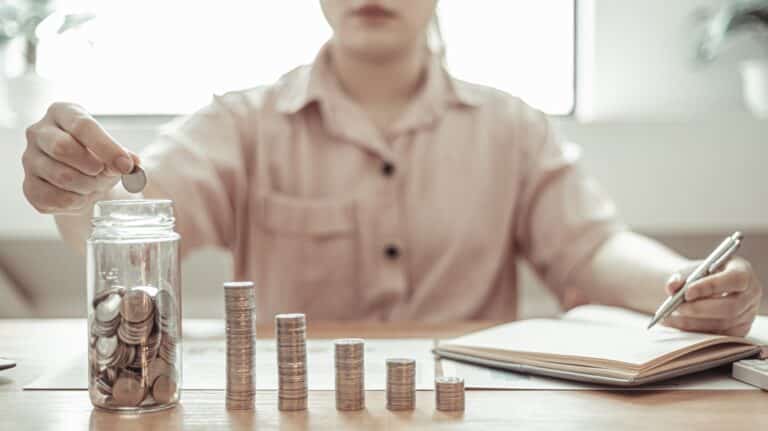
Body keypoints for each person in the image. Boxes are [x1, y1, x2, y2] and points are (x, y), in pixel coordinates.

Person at [21, 0, 763, 332]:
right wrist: (75, 191)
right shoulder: (244, 122)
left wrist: (687, 279)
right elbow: (127, 217)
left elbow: (594, 246)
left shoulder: (511, 126)